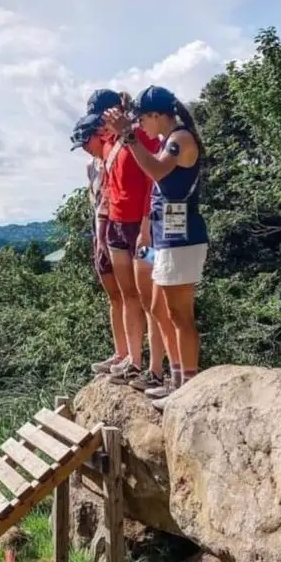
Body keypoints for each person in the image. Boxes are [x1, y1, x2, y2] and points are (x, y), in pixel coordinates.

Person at [104, 85, 208, 404]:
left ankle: (185, 386)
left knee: (179, 314)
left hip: (182, 237)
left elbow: (155, 169)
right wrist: (146, 232)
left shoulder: (181, 140)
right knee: (161, 309)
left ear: (156, 115)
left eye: (143, 120)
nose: (141, 126)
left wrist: (128, 136)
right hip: (164, 237)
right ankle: (175, 380)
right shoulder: (168, 140)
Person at [94, 94, 167, 390]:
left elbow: (155, 180)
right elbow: (109, 189)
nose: (102, 124)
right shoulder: (109, 145)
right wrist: (105, 229)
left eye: (104, 116)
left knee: (151, 298)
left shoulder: (140, 136)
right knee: (128, 296)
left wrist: (147, 226)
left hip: (143, 228)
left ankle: (156, 369)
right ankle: (133, 362)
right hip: (117, 227)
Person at [70, 113, 129, 372]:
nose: (85, 147)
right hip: (100, 235)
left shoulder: (113, 158)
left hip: (119, 232)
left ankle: (135, 357)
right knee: (114, 297)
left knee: (132, 295)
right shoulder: (91, 166)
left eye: (86, 141)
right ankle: (120, 352)